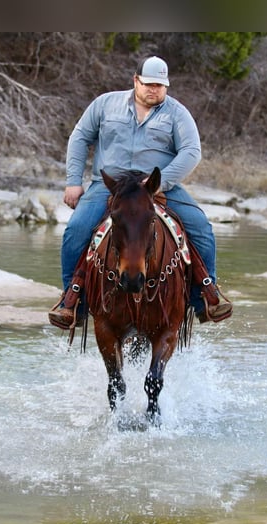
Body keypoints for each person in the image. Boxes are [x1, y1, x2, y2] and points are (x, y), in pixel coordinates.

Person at [48, 55, 232, 329]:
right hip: (110, 186)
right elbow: (80, 137)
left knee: (201, 226)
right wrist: (74, 180)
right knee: (77, 229)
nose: (154, 90)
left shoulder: (177, 113)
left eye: (160, 85)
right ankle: (73, 300)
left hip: (158, 186)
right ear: (135, 80)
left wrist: (160, 181)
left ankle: (205, 296)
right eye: (148, 84)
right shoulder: (105, 104)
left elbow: (191, 152)